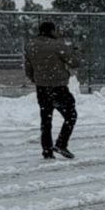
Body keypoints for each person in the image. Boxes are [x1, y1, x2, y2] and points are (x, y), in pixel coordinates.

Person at [25, 20, 80, 159]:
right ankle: (61, 143)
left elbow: (28, 68)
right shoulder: (58, 45)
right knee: (71, 115)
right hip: (58, 86)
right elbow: (74, 62)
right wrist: (73, 52)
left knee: (46, 119)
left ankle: (47, 150)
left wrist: (36, 79)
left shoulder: (31, 46)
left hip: (42, 88)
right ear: (52, 31)